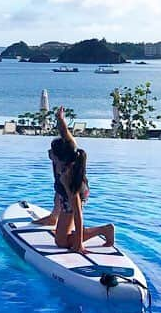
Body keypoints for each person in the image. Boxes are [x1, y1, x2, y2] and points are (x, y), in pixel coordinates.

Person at [33, 105, 114, 253]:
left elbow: (77, 212)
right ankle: (53, 217)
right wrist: (60, 120)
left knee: (61, 242)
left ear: (60, 158)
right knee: (58, 191)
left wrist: (78, 244)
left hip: (75, 194)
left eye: (52, 152)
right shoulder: (68, 151)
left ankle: (104, 230)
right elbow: (64, 133)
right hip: (68, 189)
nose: (49, 152)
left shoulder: (67, 178)